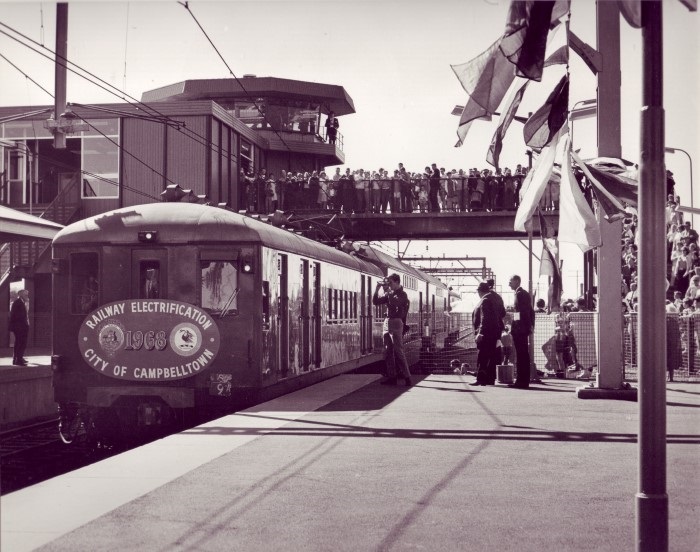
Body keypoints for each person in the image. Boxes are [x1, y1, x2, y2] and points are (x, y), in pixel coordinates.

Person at [373, 273, 412, 386]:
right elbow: (376, 302)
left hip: (396, 322)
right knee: (388, 351)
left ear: (397, 282)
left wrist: (388, 292)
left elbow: (396, 302)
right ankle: (392, 377)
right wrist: (377, 290)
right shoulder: (391, 293)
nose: (389, 285)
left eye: (390, 283)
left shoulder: (402, 295)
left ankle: (407, 377)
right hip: (387, 322)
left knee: (398, 350)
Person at [471, 281, 505, 386]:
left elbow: (484, 318)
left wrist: (480, 333)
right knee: (492, 356)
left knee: (483, 356)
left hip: (486, 333)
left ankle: (480, 379)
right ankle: (489, 379)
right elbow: (502, 313)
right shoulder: (495, 298)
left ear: (480, 291)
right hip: (494, 332)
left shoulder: (485, 300)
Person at [508, 274, 535, 388]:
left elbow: (520, 313)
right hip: (523, 328)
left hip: (520, 330)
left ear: (517, 281)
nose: (509, 283)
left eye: (510, 281)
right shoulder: (524, 294)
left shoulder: (519, 295)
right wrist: (530, 326)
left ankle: (521, 381)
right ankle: (523, 380)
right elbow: (530, 312)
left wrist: (516, 326)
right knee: (523, 354)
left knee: (521, 355)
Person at [9, 289, 30, 366]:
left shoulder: (21, 302)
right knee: (21, 343)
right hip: (20, 327)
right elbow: (16, 316)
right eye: (26, 295)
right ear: (21, 294)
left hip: (20, 326)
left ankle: (17, 359)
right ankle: (19, 360)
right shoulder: (18, 303)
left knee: (19, 342)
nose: (27, 296)